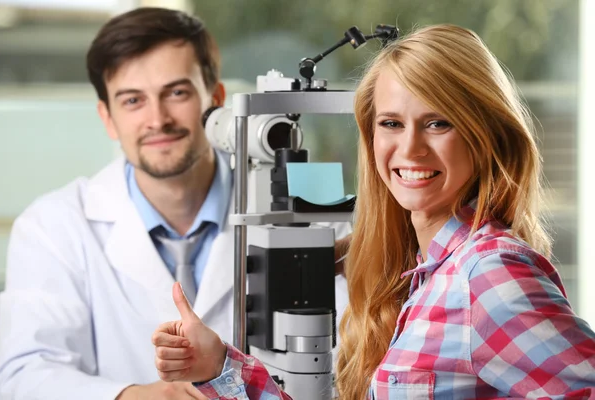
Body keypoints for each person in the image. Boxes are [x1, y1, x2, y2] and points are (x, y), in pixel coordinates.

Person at [151, 24, 595, 399]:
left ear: (485, 135)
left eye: (439, 122)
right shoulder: (424, 276)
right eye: (391, 124)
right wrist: (218, 366)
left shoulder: (486, 274)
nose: (410, 149)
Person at [0, 7, 351, 400]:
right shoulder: (53, 226)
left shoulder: (308, 215)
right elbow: (24, 376)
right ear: (108, 118)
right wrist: (135, 396)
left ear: (215, 99)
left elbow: (355, 352)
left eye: (177, 92)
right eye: (132, 101)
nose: (158, 119)